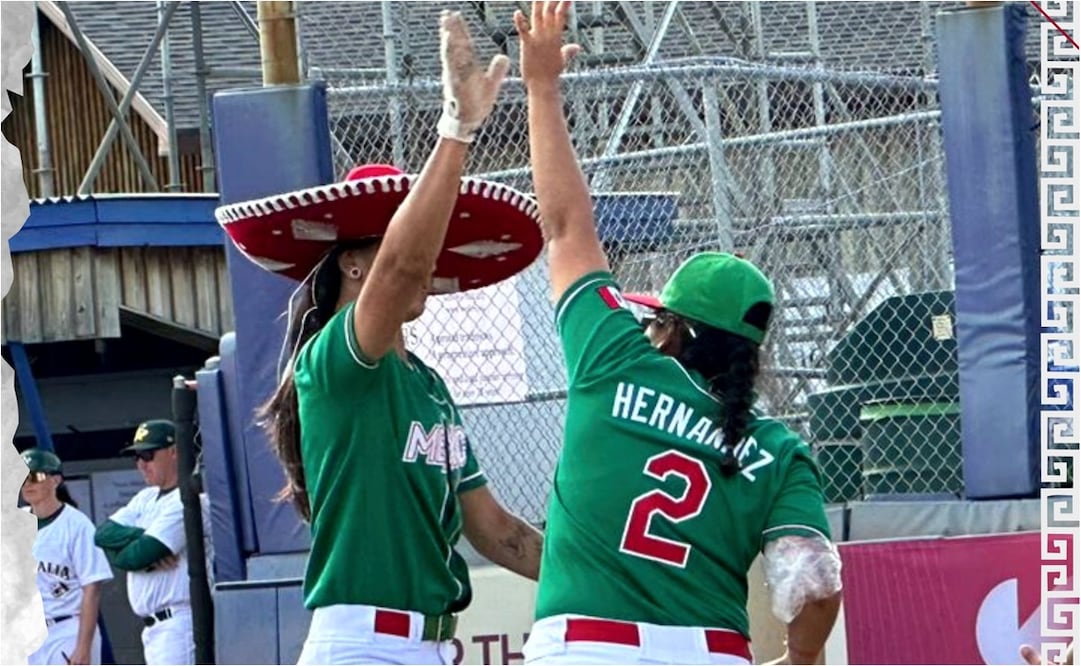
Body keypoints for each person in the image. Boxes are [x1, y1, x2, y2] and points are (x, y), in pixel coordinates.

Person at [513, 3, 844, 664]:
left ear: (674, 328)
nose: (648, 326)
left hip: (585, 648)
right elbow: (812, 581)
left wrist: (542, 89)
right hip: (711, 649)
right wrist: (799, 662)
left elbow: (566, 227)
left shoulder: (614, 359)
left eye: (657, 316)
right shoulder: (776, 450)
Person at [216, 11, 544, 666]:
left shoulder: (426, 384)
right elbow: (402, 269)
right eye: (402, 241)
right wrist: (456, 129)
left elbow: (494, 531)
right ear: (352, 262)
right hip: (361, 648)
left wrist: (609, 577)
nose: (428, 262)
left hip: (430, 646)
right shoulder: (339, 358)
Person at [93, 419, 199, 666]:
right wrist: (142, 536)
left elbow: (138, 556)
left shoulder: (188, 497)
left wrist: (132, 548)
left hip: (179, 621)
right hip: (153, 628)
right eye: (137, 457)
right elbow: (102, 535)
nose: (141, 464)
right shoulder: (145, 497)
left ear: (174, 452)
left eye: (148, 455)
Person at [22, 448, 113, 665]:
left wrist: (83, 648)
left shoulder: (77, 525)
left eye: (35, 476)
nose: (27, 483)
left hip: (65, 630)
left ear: (55, 480)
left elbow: (92, 589)